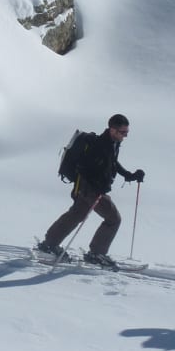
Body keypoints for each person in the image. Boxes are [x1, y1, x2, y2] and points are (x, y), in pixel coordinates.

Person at [37, 113, 145, 268]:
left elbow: (112, 162)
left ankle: (49, 244)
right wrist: (95, 185)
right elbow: (83, 167)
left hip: (86, 189)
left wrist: (130, 175)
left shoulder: (112, 143)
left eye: (127, 132)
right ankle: (96, 254)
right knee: (113, 219)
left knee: (76, 215)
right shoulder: (99, 145)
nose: (125, 136)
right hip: (90, 190)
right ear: (112, 130)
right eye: (123, 132)